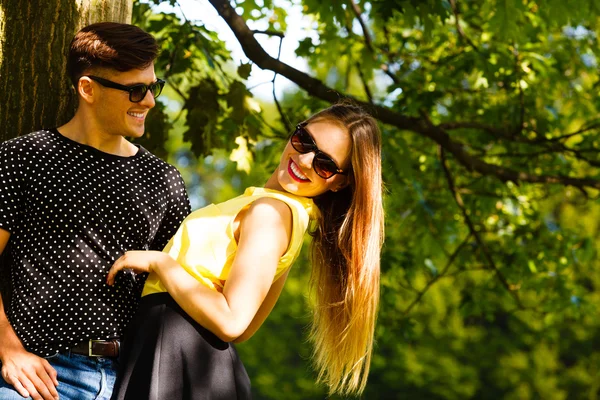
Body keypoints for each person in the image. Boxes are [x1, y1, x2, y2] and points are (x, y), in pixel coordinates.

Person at [107, 101, 384, 399]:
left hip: (180, 357)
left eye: (324, 164)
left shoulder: (271, 213)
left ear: (340, 183)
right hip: (186, 360)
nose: (303, 160)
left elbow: (233, 322)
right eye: (304, 140)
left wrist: (162, 263)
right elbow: (246, 329)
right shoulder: (286, 215)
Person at [0, 22, 191, 400]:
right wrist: (7, 347)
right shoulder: (23, 158)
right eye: (136, 90)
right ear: (87, 88)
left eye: (153, 87)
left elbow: (185, 291)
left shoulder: (164, 181)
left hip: (134, 381)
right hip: (40, 378)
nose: (150, 101)